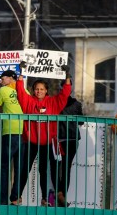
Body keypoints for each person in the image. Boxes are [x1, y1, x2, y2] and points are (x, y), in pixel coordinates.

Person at [10, 70, 72, 206]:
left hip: (48, 142)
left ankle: (45, 198)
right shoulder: (28, 102)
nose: (39, 91)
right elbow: (20, 91)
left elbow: (65, 94)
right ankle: (17, 197)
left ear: (46, 91)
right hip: (31, 141)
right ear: (33, 91)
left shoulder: (53, 103)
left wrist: (67, 77)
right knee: (24, 169)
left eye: (42, 89)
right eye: (37, 89)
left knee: (44, 170)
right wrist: (20, 74)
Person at [0, 70, 24, 205]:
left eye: (2, 78)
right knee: (19, 168)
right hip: (24, 132)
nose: (0, 81)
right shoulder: (24, 91)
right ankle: (15, 197)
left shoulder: (4, 90)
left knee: (3, 167)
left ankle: (0, 199)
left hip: (10, 132)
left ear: (10, 78)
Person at [55, 95, 84, 206]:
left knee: (56, 167)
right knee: (67, 168)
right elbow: (81, 122)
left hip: (59, 138)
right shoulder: (76, 104)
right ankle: (62, 195)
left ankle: (59, 194)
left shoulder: (57, 101)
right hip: (72, 138)